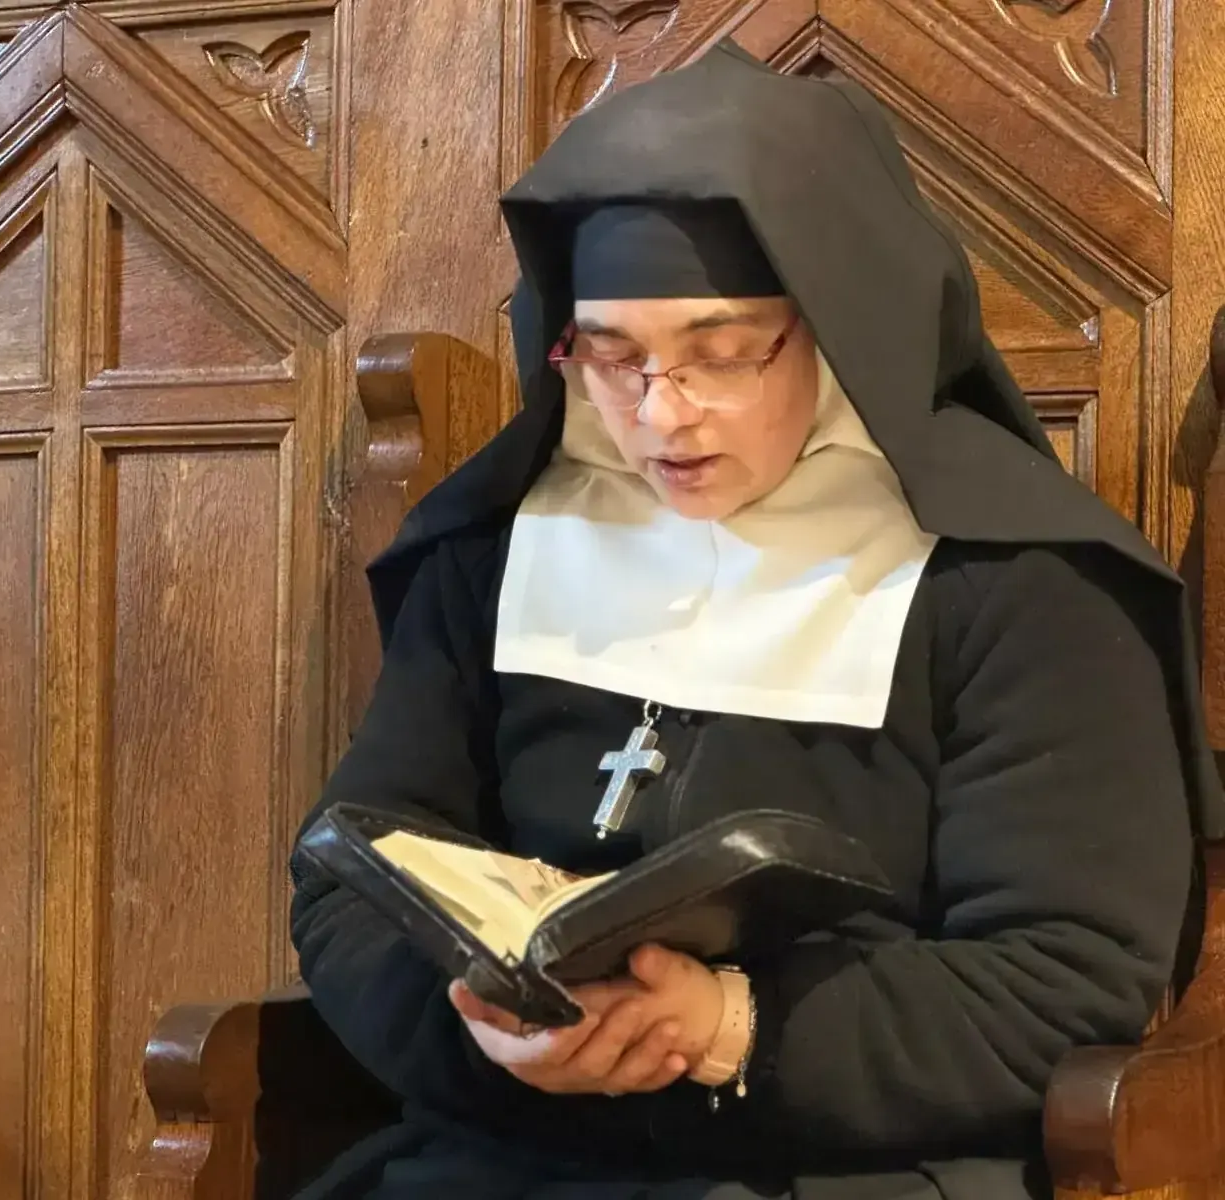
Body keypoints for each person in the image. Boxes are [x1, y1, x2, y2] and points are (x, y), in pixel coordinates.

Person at [288, 41, 1225, 1200]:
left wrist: (733, 1028)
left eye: (721, 353)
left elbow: (1063, 976)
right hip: (499, 1152)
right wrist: (480, 1029)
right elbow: (347, 876)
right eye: (611, 358)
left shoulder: (1022, 584)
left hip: (858, 1170)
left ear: (839, 331)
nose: (659, 414)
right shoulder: (495, 551)